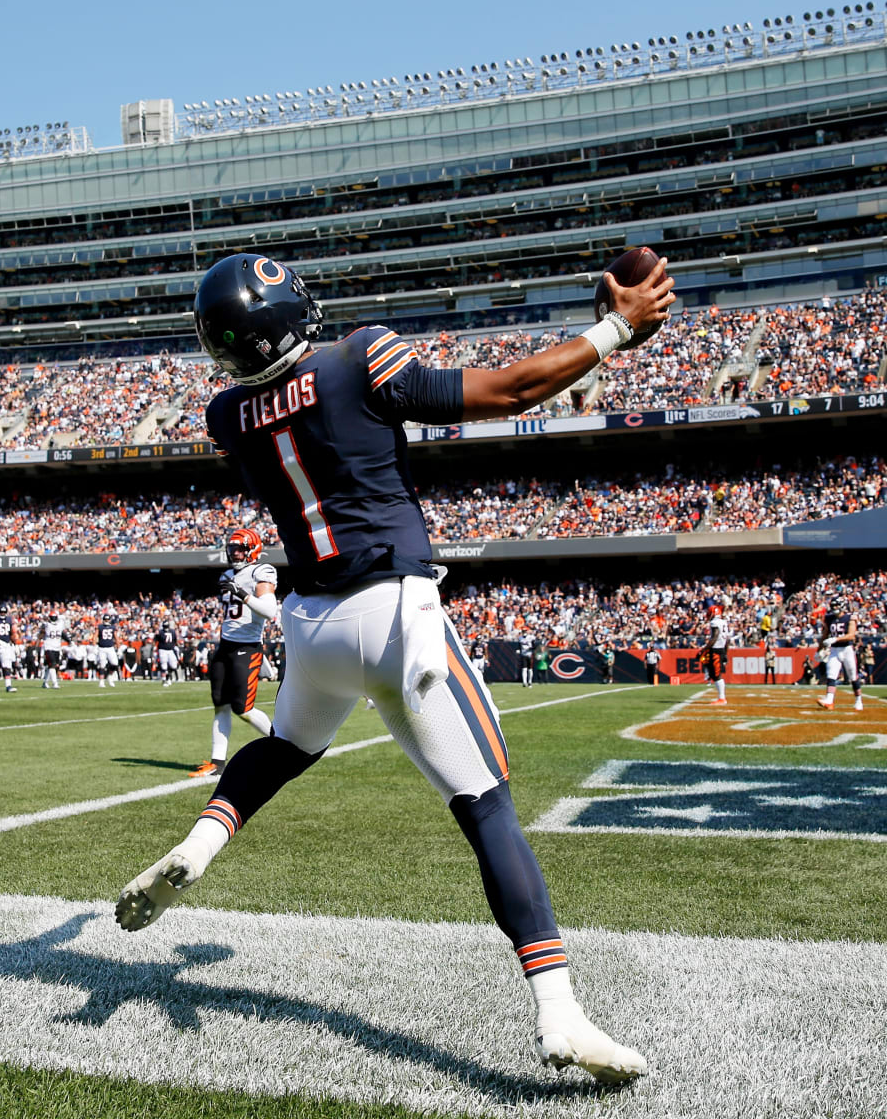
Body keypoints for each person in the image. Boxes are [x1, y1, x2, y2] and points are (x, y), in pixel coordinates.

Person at [116, 251, 673, 1082]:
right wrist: (615, 329)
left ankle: (200, 844)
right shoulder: (359, 355)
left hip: (309, 623)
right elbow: (507, 393)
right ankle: (561, 1012)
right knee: (487, 806)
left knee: (285, 748)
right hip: (395, 613)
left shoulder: (227, 414)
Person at [188, 528, 277, 779]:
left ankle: (285, 746)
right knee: (221, 705)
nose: (234, 553)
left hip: (247, 647)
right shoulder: (228, 573)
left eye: (240, 548)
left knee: (243, 708)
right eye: (232, 548)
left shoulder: (262, 571)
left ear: (252, 550)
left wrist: (242, 594)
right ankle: (218, 762)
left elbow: (269, 611)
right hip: (225, 645)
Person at [817, 609, 863, 711]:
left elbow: (851, 635)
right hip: (834, 650)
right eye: (833, 606)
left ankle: (858, 700)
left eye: (837, 606)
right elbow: (825, 634)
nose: (835, 608)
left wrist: (836, 639)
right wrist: (818, 650)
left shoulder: (849, 618)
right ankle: (829, 700)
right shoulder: (829, 618)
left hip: (847, 650)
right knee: (831, 675)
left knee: (853, 677)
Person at [702, 604, 729, 704]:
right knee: (715, 674)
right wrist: (725, 652)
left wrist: (704, 649)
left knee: (716, 674)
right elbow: (727, 640)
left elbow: (715, 637)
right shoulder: (723, 622)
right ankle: (721, 697)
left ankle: (722, 698)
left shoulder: (715, 623)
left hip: (715, 650)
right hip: (721, 649)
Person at [40, 612, 66, 688]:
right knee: (52, 665)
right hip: (49, 647)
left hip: (56, 647)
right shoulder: (58, 624)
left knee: (51, 666)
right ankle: (55, 683)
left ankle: (45, 683)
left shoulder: (48, 624)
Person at [95, 612, 121, 688]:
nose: (106, 621)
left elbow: (116, 638)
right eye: (105, 619)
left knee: (115, 663)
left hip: (110, 648)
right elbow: (95, 636)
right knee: (102, 665)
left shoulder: (113, 627)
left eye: (107, 619)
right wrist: (94, 646)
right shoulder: (100, 627)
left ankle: (109, 676)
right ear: (103, 619)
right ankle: (101, 681)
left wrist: (118, 648)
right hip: (101, 648)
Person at [154, 620, 179, 686]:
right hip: (162, 650)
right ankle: (164, 680)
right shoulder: (160, 632)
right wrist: (156, 635)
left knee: (174, 666)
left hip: (170, 650)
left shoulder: (172, 632)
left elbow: (175, 641)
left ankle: (168, 676)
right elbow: (156, 640)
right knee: (164, 666)